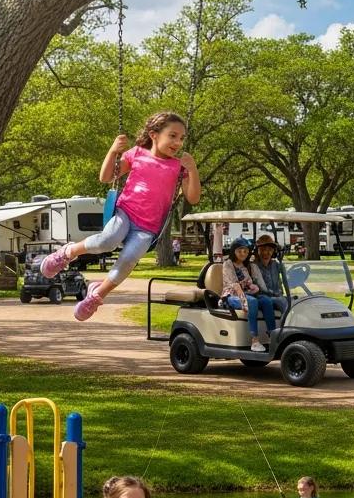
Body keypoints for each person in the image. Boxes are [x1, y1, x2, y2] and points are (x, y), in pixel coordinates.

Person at [40, 111, 201, 322]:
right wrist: (113, 151)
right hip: (126, 212)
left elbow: (193, 197)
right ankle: (68, 253)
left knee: (129, 259)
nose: (178, 142)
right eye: (172, 135)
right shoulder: (137, 154)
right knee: (107, 241)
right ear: (154, 135)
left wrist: (193, 169)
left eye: (181, 138)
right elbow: (106, 177)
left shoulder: (178, 168)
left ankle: (97, 294)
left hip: (148, 227)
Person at [220, 236, 277, 352]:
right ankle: (255, 341)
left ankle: (273, 336)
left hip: (247, 294)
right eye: (239, 251)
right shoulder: (228, 264)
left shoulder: (246, 266)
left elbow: (251, 284)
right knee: (252, 302)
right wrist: (245, 299)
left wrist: (255, 288)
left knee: (266, 301)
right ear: (233, 251)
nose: (243, 253)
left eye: (245, 251)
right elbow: (234, 285)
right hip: (231, 296)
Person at [251, 234, 289, 324]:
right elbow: (257, 288)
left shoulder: (276, 265)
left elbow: (285, 279)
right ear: (257, 251)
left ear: (273, 252)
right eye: (263, 250)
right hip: (263, 298)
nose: (266, 253)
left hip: (278, 296)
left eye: (269, 250)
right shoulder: (253, 266)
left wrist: (281, 261)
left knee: (298, 301)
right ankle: (285, 328)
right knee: (282, 301)